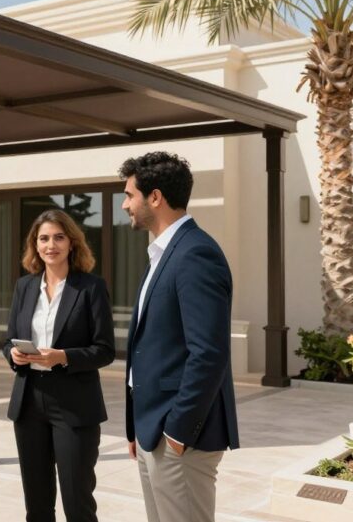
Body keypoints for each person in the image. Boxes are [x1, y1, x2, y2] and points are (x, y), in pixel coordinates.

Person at [120, 152, 239, 522]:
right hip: (151, 430)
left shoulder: (195, 253)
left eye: (129, 195)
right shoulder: (162, 253)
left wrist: (177, 432)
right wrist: (136, 429)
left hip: (179, 436)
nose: (125, 205)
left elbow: (209, 353)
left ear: (155, 198)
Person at [2, 209, 115, 522]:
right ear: (35, 245)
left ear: (72, 243)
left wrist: (63, 357)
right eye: (44, 238)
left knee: (77, 502)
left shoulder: (90, 287)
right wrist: (13, 354)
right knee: (36, 505)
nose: (51, 244)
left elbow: (105, 350)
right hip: (28, 402)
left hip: (74, 403)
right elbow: (9, 339)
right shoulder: (25, 286)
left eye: (58, 237)